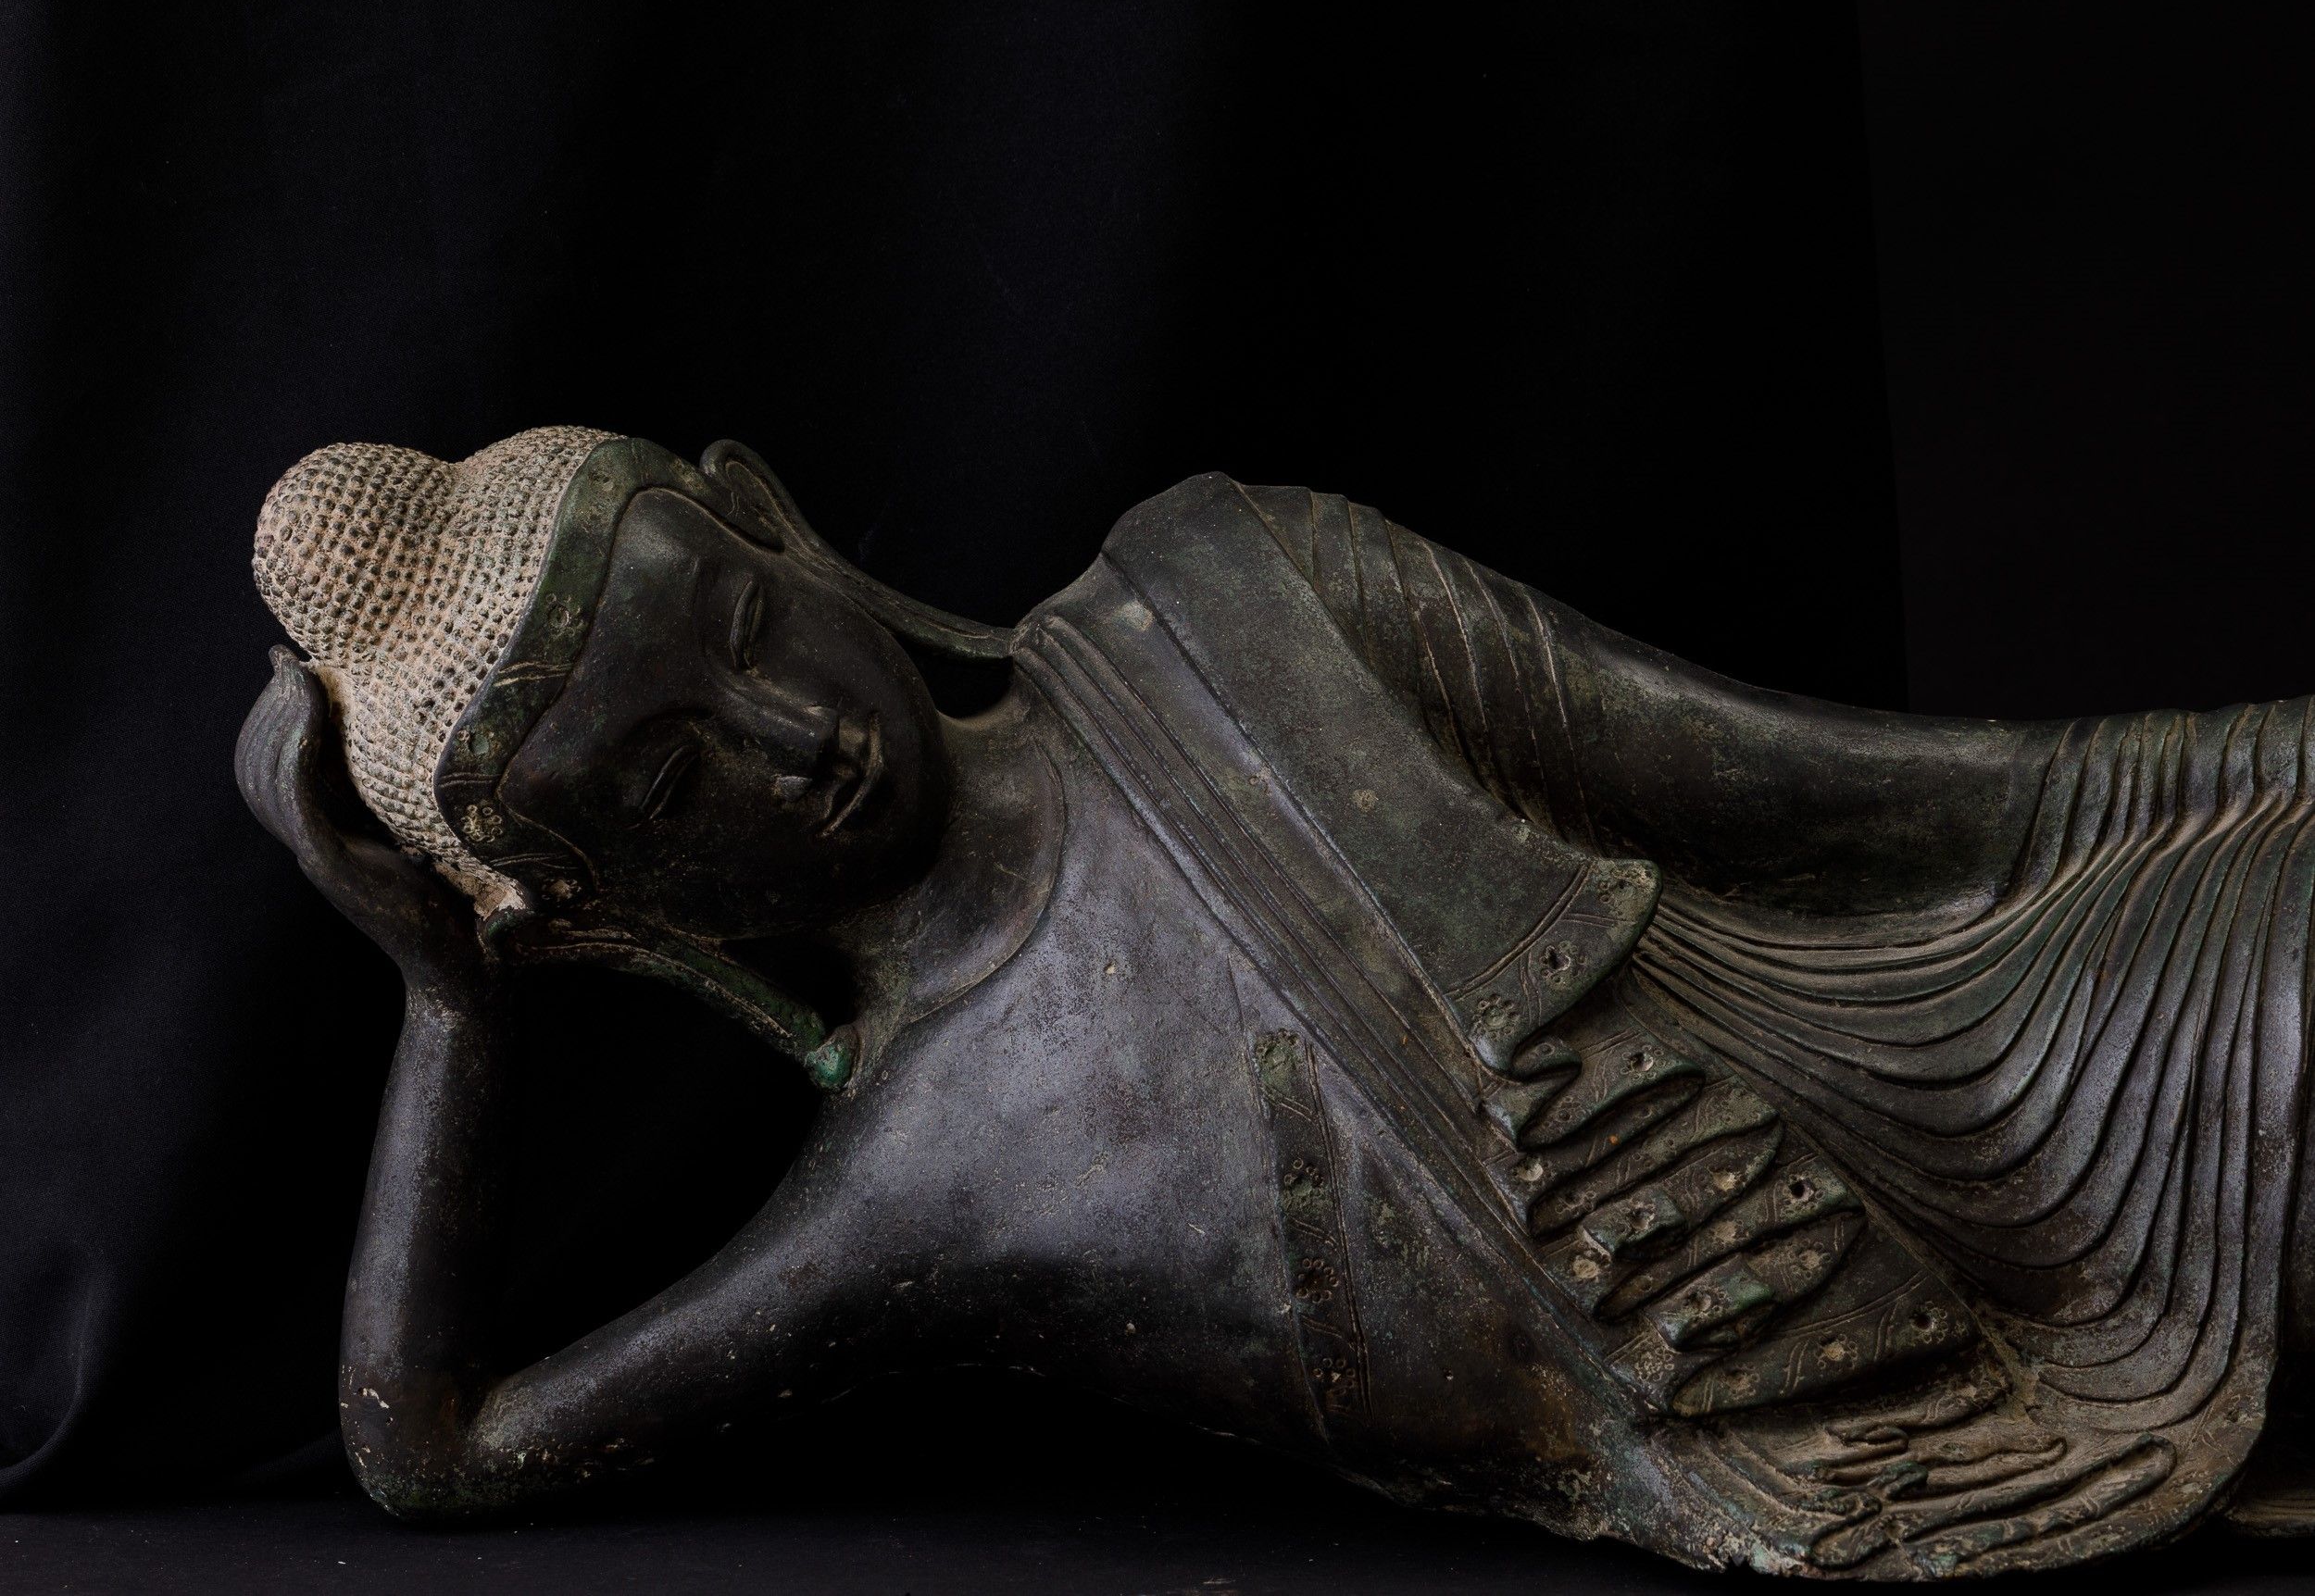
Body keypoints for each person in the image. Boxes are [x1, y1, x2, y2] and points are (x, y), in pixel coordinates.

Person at [239, 428, 2315, 1577]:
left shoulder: (1237, 591)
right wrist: (448, 1003)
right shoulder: (921, 1175)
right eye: (672, 785)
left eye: (747, 625)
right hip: (1868, 1423)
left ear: (772, 526)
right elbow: (438, 1450)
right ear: (591, 909)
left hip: (2044, 1025)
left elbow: (1907, 806)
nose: (795, 741)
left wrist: (2277, 757)